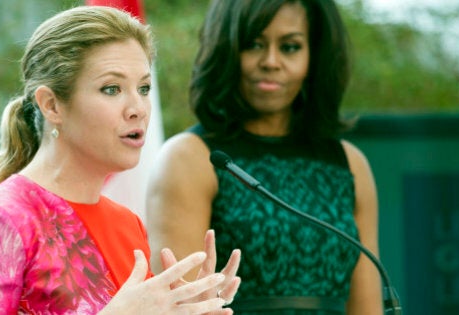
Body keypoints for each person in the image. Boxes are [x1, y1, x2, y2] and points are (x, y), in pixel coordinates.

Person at [0, 6, 242, 314]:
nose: (137, 108)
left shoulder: (127, 224)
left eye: (143, 88)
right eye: (111, 89)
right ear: (52, 105)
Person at [146, 0, 383, 314]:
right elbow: (178, 309)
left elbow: (367, 309)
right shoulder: (188, 158)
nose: (271, 61)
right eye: (254, 44)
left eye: (290, 47)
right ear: (226, 49)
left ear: (315, 56)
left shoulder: (350, 164)